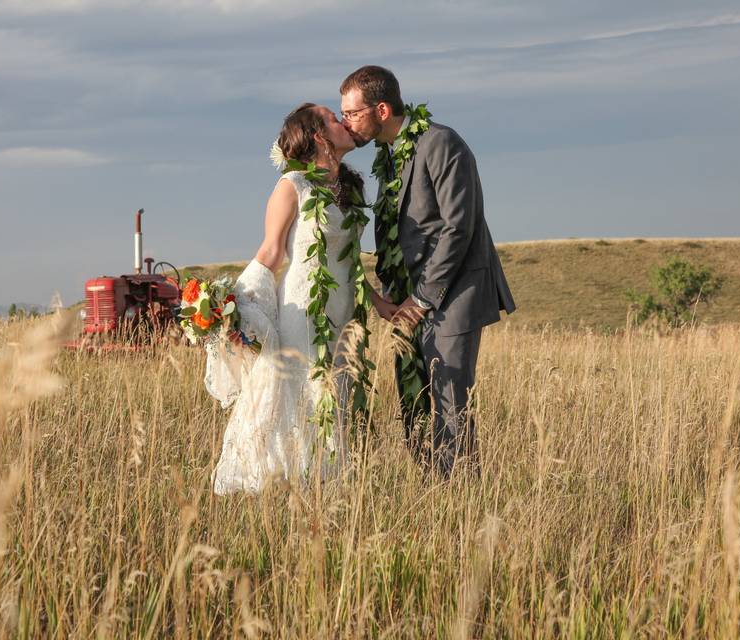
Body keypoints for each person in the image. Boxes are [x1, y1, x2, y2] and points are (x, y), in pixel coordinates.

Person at [339, 65, 516, 477]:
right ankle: (431, 489)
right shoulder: (388, 155)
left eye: (351, 113)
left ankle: (459, 497)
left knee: (450, 395)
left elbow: (459, 226)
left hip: (455, 291)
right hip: (408, 297)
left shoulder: (441, 143)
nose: (346, 121)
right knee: (414, 395)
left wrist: (420, 301)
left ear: (381, 109)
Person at [208, 103, 389, 494]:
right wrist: (228, 307)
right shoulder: (291, 186)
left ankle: (325, 491)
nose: (343, 121)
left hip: (343, 314)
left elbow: (351, 262)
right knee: (302, 395)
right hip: (304, 310)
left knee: (334, 401)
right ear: (318, 136)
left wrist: (377, 303)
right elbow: (271, 253)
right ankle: (283, 485)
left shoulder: (352, 189)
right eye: (332, 117)